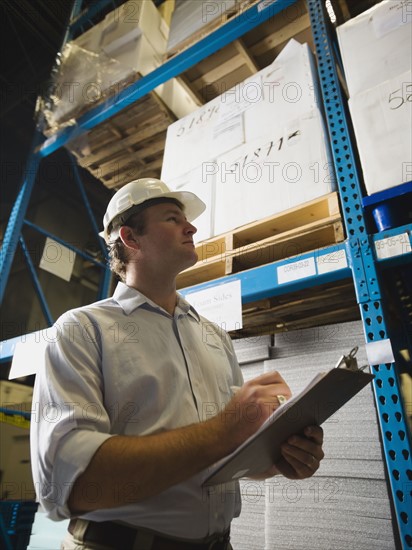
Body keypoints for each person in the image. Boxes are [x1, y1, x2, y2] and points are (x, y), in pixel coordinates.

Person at [30, 178, 324, 550]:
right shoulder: (83, 330)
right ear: (131, 239)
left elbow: (227, 453)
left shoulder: (213, 336)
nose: (192, 227)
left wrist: (278, 458)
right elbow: (68, 482)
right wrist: (223, 430)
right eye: (172, 218)